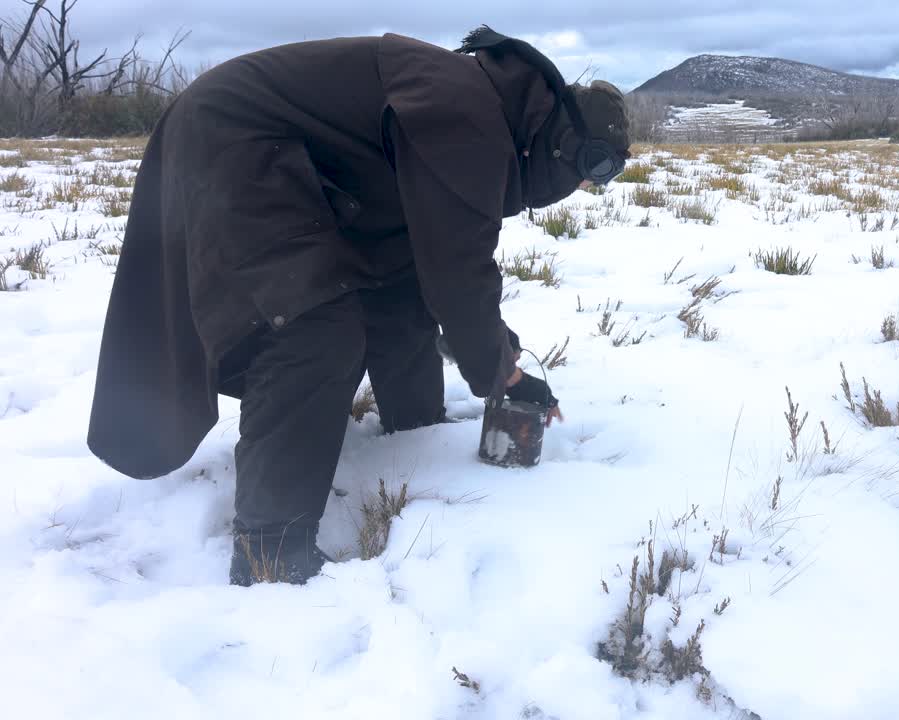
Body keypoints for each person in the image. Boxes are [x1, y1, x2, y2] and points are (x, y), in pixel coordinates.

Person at [84, 26, 631, 586]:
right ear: (561, 139)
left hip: (289, 161)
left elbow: (430, 274)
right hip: (235, 139)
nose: (587, 184)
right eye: (594, 167)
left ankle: (412, 437)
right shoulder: (471, 115)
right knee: (313, 325)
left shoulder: (481, 112)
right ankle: (271, 552)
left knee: (397, 293)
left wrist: (502, 361)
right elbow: (459, 274)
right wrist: (505, 375)